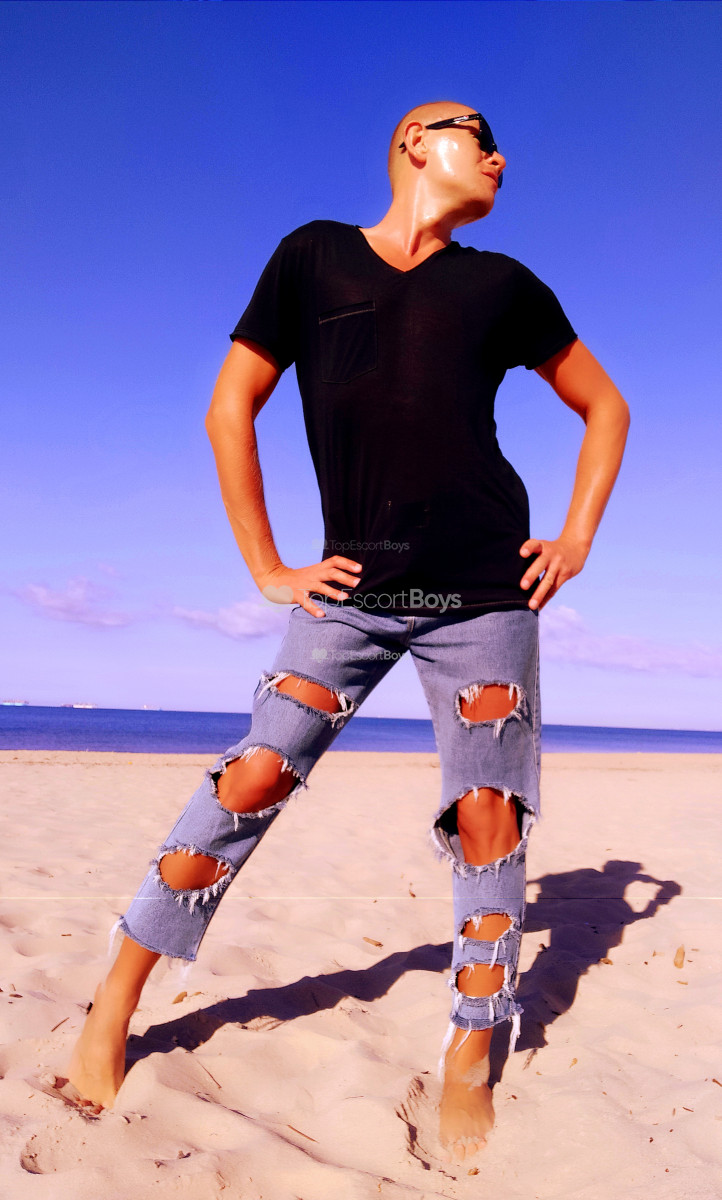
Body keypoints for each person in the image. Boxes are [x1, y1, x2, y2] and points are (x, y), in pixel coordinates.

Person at [63, 101, 629, 1161]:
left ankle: (471, 1048)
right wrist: (267, 566)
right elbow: (230, 407)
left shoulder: (502, 285)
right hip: (352, 589)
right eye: (476, 134)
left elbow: (606, 406)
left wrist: (576, 538)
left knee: (488, 817)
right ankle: (114, 1002)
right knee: (249, 779)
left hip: (484, 593)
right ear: (415, 142)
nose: (498, 155)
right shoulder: (313, 256)